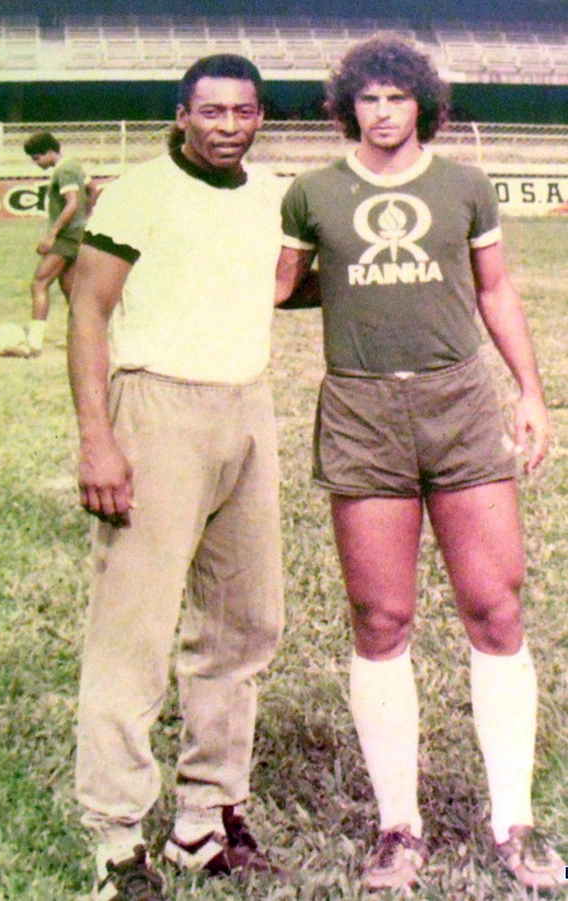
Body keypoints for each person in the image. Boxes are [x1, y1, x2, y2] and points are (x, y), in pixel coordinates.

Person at [276, 37, 566, 892]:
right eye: (367, 99)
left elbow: (493, 289)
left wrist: (531, 391)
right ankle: (399, 827)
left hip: (459, 403)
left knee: (496, 606)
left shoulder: (463, 184)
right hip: (363, 407)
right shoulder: (312, 192)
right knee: (379, 618)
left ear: (424, 104)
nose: (383, 112)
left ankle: (513, 819)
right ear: (345, 107)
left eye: (398, 96)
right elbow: (282, 284)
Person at [67, 54, 285, 901]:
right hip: (157, 406)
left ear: (259, 115)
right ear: (183, 115)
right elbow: (90, 308)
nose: (228, 125)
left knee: (243, 623)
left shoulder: (270, 196)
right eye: (212, 112)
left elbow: (277, 284)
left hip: (246, 406)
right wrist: (98, 439)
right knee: (135, 624)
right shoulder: (138, 191)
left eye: (243, 111)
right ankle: (117, 837)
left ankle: (206, 814)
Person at [22, 131, 96, 356]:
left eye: (37, 158)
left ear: (49, 152)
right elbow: (92, 190)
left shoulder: (63, 170)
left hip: (66, 236)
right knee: (70, 288)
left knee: (39, 282)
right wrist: (87, 218)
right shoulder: (74, 165)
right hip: (78, 233)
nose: (36, 164)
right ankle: (82, 340)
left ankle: (34, 343)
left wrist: (52, 233)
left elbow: (72, 202)